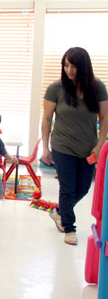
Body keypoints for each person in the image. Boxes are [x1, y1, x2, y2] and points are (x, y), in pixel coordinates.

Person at [42, 47, 108, 245]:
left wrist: (100, 145)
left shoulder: (97, 88)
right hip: (62, 146)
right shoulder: (56, 88)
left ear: (84, 66)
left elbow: (104, 118)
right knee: (68, 189)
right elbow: (46, 119)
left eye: (74, 66)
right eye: (66, 65)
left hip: (88, 148)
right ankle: (69, 228)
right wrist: (45, 147)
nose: (69, 70)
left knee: (84, 188)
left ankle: (60, 211)